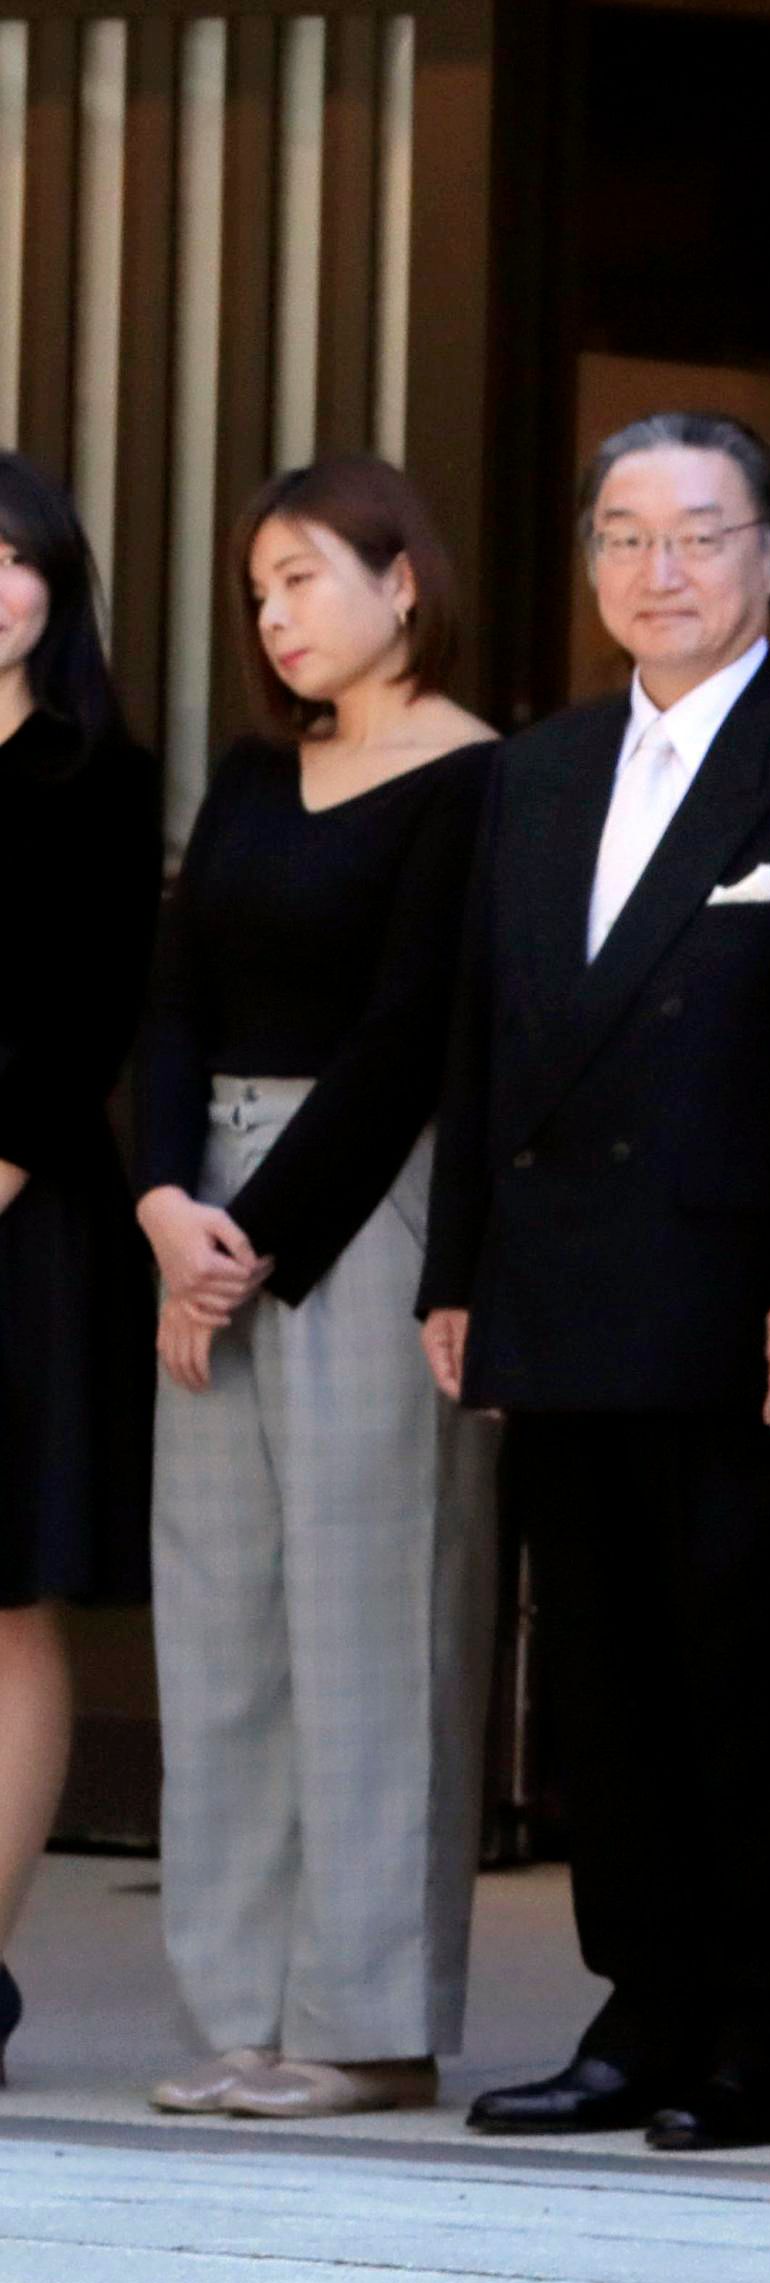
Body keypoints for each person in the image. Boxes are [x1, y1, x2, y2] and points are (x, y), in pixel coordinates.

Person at [419, 411, 770, 2153]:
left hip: (742, 1307)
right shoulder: (537, 771)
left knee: (751, 1679)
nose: (663, 570)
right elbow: (483, 1039)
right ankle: (639, 2012)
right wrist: (456, 1269)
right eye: (626, 535)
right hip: (557, 1288)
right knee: (602, 1692)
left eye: (702, 534)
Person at [136, 457, 500, 2121]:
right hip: (202, 1221)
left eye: (303, 578)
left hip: (362, 1212)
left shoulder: (472, 781)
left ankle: (364, 2025)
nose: (275, 615)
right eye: (258, 589)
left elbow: (409, 1038)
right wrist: (162, 1204)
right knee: (220, 1625)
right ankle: (242, 2011)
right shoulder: (248, 778)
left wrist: (247, 1243)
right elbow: (173, 1001)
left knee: (372, 1612)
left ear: (400, 582)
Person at [0, 452, 159, 2083]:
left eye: (14, 555)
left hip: (23, 1221)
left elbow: (86, 1021)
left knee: (5, 1597)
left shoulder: (100, 779)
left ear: (60, 583)